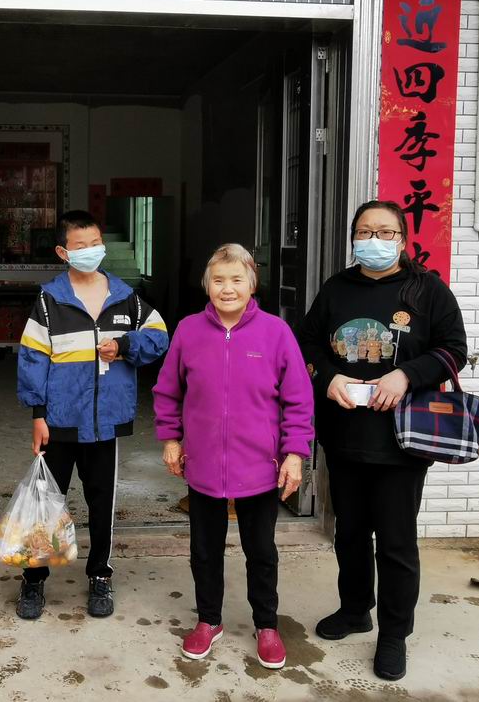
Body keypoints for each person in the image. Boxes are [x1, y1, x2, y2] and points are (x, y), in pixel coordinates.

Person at [297, 200, 467, 681]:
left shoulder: (427, 290)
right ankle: (355, 610)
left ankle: (394, 634)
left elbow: (454, 350)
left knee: (395, 542)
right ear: (353, 238)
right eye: (365, 231)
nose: (375, 240)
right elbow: (307, 342)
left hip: (401, 441)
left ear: (403, 239)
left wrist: (406, 375)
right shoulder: (337, 288)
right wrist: (327, 376)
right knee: (349, 533)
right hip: (344, 433)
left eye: (385, 232)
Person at [152, 243, 314, 670]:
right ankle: (209, 620)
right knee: (204, 550)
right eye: (219, 280)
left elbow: (298, 400)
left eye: (236, 279)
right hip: (204, 464)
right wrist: (171, 439)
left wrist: (294, 453)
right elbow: (168, 391)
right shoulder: (188, 330)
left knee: (260, 551)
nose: (227, 288)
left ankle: (267, 625)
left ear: (252, 284)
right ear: (207, 285)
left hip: (260, 466)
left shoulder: (276, 332)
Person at [16, 210, 169, 620]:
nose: (91, 251)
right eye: (80, 246)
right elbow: (32, 358)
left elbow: (159, 337)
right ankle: (34, 579)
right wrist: (38, 414)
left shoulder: (125, 297)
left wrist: (125, 346)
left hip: (105, 422)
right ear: (63, 252)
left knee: (102, 503)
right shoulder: (49, 300)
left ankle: (100, 574)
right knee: (46, 503)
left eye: (96, 243)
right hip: (60, 420)